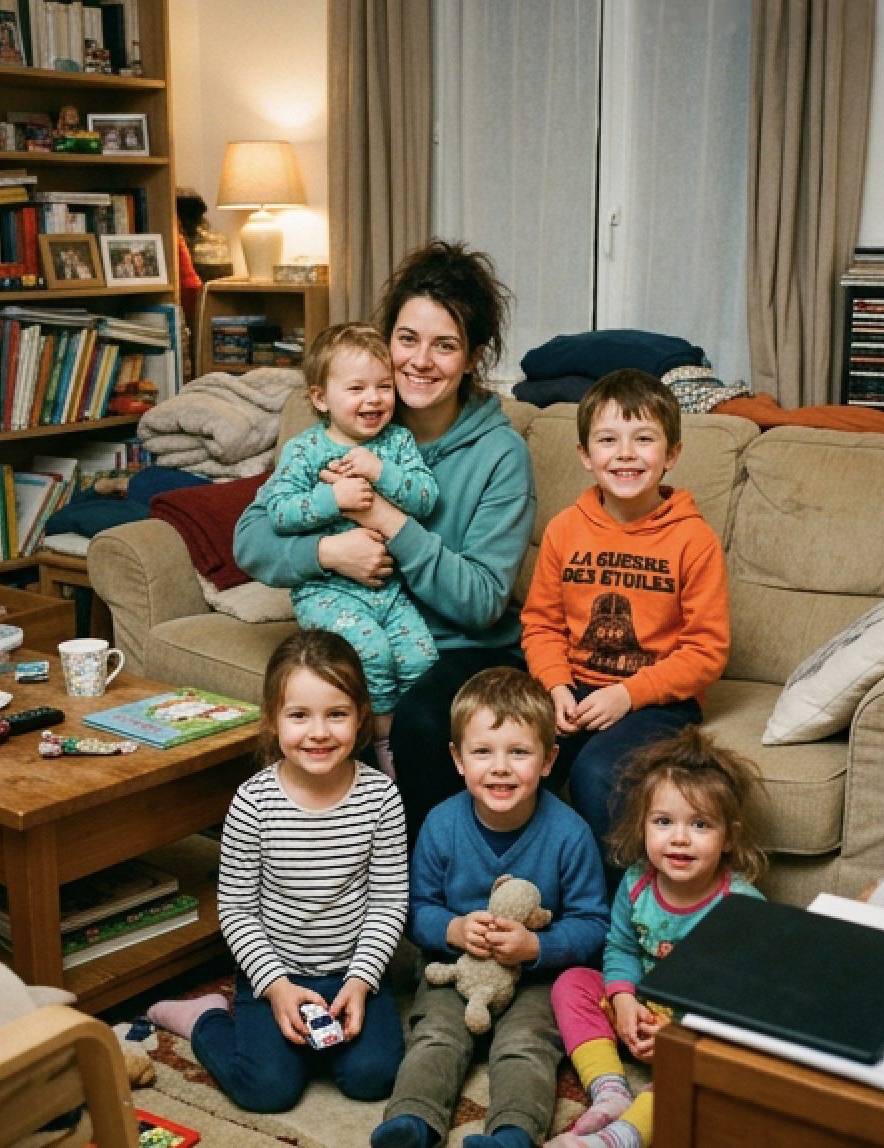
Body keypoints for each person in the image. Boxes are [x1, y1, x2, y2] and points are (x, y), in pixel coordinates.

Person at [234, 239, 537, 839]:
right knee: (306, 707)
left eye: (444, 345)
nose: (420, 361)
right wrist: (328, 553)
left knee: (419, 723)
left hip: (460, 647)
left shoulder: (502, 455)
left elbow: (481, 601)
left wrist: (386, 519)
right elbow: (251, 537)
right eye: (407, 339)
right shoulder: (349, 420)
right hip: (358, 621)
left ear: (473, 357)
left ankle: (420, 882)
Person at [145, 629, 408, 1112]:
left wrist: (360, 981)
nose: (319, 732)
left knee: (375, 1076)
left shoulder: (382, 798)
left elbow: (389, 903)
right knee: (266, 1089)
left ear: (361, 717)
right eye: (299, 715)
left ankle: (320, 1041)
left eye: (336, 714)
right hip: (274, 973)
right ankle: (205, 1018)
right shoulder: (253, 803)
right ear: (272, 720)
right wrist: (276, 986)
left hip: (352, 972)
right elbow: (236, 911)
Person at [371, 667, 609, 1148]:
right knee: (435, 1035)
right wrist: (454, 929)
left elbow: (593, 923)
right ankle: (412, 1120)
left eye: (519, 752)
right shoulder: (440, 824)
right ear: (458, 759)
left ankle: (513, 1132)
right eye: (483, 752)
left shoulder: (570, 833)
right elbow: (415, 908)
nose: (500, 768)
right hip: (454, 968)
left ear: (548, 760)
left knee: (526, 1045)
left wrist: (536, 946)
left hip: (537, 976)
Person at [520, 368, 730, 874]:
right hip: (574, 691)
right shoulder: (564, 529)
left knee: (599, 772)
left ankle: (620, 905)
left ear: (672, 454)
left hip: (658, 702)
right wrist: (555, 685)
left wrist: (627, 695)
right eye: (608, 439)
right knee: (518, 758)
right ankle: (522, 891)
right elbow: (542, 624)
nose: (626, 454)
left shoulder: (693, 539)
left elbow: (706, 651)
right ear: (585, 455)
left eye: (644, 439)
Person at [546, 724, 765, 1148]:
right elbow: (621, 948)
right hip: (637, 1010)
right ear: (643, 827)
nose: (679, 838)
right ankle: (609, 1090)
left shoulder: (741, 905)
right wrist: (623, 999)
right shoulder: (636, 884)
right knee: (572, 983)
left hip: (694, 1029)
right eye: (664, 822)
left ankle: (622, 1136)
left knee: (717, 1070)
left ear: (729, 837)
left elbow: (743, 997)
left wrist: (674, 1034)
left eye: (700, 824)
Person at [251, 321, 439, 777]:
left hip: (388, 590)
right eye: (356, 388)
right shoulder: (305, 450)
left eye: (383, 387)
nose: (373, 399)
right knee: (371, 653)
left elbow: (425, 498)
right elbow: (278, 511)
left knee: (422, 659)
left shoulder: (397, 442)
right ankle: (382, 748)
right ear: (321, 398)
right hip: (326, 591)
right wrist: (331, 500)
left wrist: (379, 472)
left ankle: (415, 747)